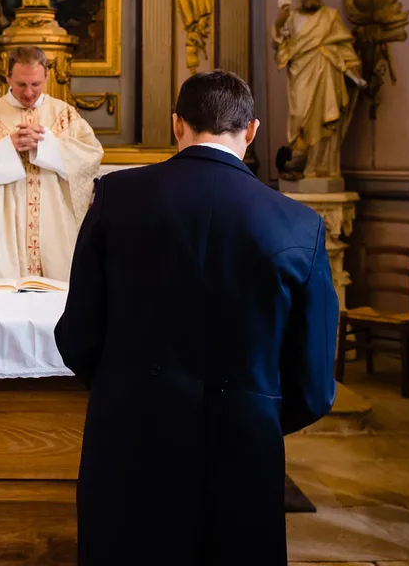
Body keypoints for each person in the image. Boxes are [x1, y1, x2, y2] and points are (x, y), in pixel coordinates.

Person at [54, 70, 339, 565]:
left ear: (176, 125)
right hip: (243, 447)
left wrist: (126, 393)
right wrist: (253, 410)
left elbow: (78, 334)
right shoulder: (300, 223)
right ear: (250, 131)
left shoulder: (116, 198)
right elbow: (314, 385)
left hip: (130, 438)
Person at [0, 45, 104, 282]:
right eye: (21, 84)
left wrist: (47, 146)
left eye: (36, 84)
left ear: (46, 78)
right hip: (1, 229)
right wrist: (5, 148)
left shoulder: (64, 115)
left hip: (54, 230)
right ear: (8, 77)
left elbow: (90, 156)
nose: (29, 93)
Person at [272, 0, 364, 179]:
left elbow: (345, 48)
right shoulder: (291, 18)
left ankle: (321, 169)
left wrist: (353, 68)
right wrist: (279, 25)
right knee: (300, 120)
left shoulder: (330, 16)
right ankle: (301, 166)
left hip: (327, 76)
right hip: (301, 76)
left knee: (326, 120)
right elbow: (281, 50)